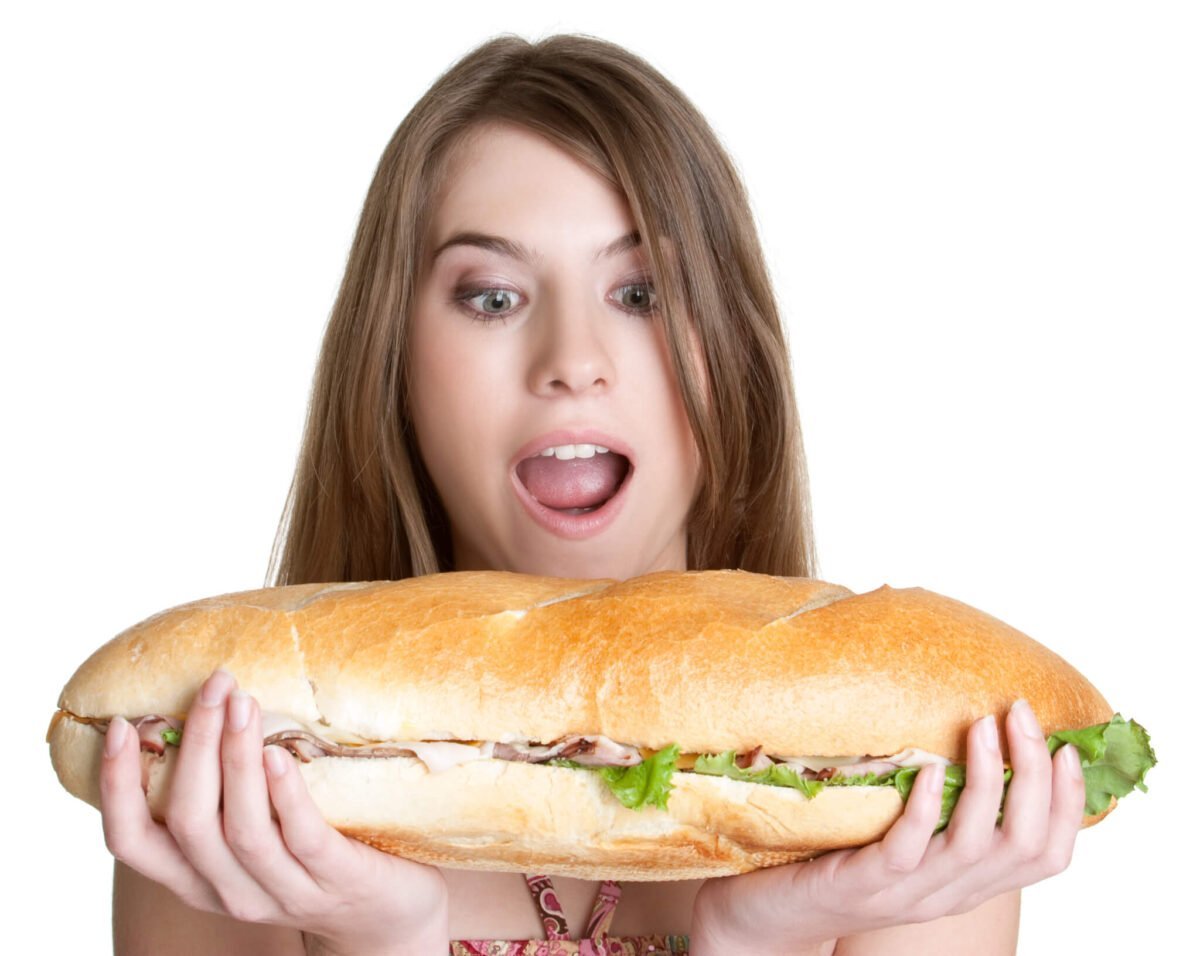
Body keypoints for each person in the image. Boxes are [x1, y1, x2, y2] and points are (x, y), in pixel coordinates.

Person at [97, 33, 1085, 955]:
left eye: (640, 293)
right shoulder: (222, 788)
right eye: (493, 297)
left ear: (733, 352)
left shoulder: (919, 799)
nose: (573, 359)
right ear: (391, 359)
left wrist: (759, 939)